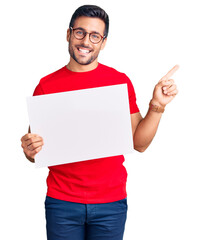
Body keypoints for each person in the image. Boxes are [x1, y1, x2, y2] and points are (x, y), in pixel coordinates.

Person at [21, 5, 179, 240]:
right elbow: (35, 152)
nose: (86, 41)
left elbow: (140, 144)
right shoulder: (46, 86)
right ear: (68, 34)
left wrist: (158, 105)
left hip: (111, 203)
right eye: (80, 32)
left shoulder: (118, 82)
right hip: (62, 203)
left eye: (95, 35)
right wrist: (28, 149)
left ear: (103, 42)